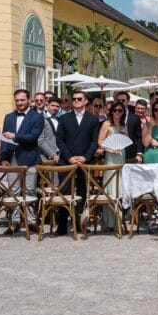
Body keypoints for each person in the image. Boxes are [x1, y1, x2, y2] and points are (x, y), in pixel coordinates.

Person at [0, 89, 44, 234]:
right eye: (17, 100)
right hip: (12, 158)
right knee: (13, 191)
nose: (19, 103)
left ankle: (31, 222)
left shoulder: (37, 117)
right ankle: (15, 222)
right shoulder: (9, 117)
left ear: (29, 100)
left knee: (30, 190)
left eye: (22, 100)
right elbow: (4, 140)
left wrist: (15, 136)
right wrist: (4, 158)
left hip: (29, 157)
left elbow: (33, 137)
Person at [54, 91, 98, 236]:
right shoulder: (64, 118)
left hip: (85, 162)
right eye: (74, 99)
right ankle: (61, 225)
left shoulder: (93, 119)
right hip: (67, 161)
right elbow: (59, 140)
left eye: (79, 99)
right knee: (64, 192)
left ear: (86, 101)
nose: (76, 101)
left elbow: (95, 141)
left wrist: (85, 157)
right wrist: (70, 158)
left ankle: (81, 223)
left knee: (83, 192)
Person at [97, 101, 128, 230]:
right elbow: (100, 142)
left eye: (120, 111)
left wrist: (125, 135)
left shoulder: (123, 126)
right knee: (111, 187)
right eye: (115, 110)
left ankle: (118, 219)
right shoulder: (106, 124)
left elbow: (127, 141)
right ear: (111, 112)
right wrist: (110, 150)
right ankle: (109, 221)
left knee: (121, 187)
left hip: (122, 157)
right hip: (111, 157)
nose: (117, 113)